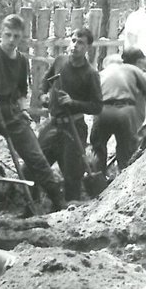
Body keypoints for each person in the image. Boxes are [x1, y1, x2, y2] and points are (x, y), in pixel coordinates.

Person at [0, 14, 66, 211]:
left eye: (16, 36)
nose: (11, 40)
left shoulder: (20, 61)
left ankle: (57, 201)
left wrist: (23, 110)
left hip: (11, 113)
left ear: (21, 38)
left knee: (36, 156)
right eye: (8, 35)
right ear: (1, 34)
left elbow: (21, 92)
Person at [38, 28, 103, 201]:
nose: (75, 45)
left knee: (72, 176)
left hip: (74, 128)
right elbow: (45, 81)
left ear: (88, 47)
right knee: (35, 165)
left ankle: (68, 213)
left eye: (80, 42)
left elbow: (97, 106)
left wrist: (73, 103)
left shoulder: (91, 74)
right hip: (53, 126)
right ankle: (34, 207)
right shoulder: (60, 61)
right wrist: (43, 95)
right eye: (73, 40)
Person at [90, 51, 146, 172]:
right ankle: (125, 180)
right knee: (126, 151)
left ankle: (98, 182)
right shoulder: (132, 70)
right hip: (125, 111)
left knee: (98, 148)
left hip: (103, 111)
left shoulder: (100, 74)